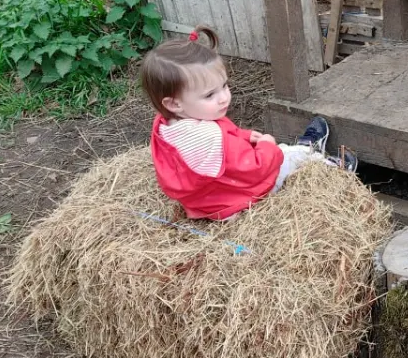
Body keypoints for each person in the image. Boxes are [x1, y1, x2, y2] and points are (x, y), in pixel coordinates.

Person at [139, 25, 356, 221]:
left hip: (207, 200)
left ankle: (305, 148)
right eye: (209, 95)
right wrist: (267, 146)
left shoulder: (167, 124)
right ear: (175, 103)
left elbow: (222, 138)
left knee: (276, 150)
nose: (224, 97)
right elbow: (255, 168)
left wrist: (243, 136)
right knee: (288, 156)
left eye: (224, 86)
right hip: (237, 197)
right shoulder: (208, 138)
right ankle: (330, 165)